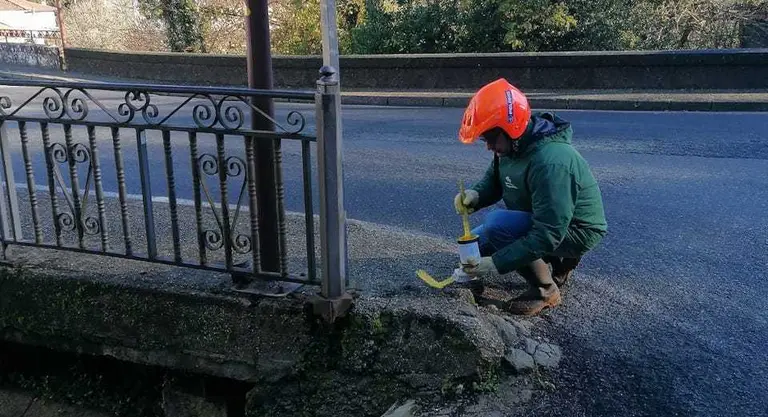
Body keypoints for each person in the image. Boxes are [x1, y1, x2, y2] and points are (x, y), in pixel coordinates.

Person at [453, 78, 607, 316]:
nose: (488, 146)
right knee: (475, 245)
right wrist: (476, 194)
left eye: (490, 139)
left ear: (510, 128)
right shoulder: (514, 146)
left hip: (576, 229)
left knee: (497, 227)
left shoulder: (551, 162)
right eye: (485, 140)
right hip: (543, 218)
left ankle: (545, 289)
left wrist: (496, 263)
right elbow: (494, 180)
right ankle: (557, 264)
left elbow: (548, 233)